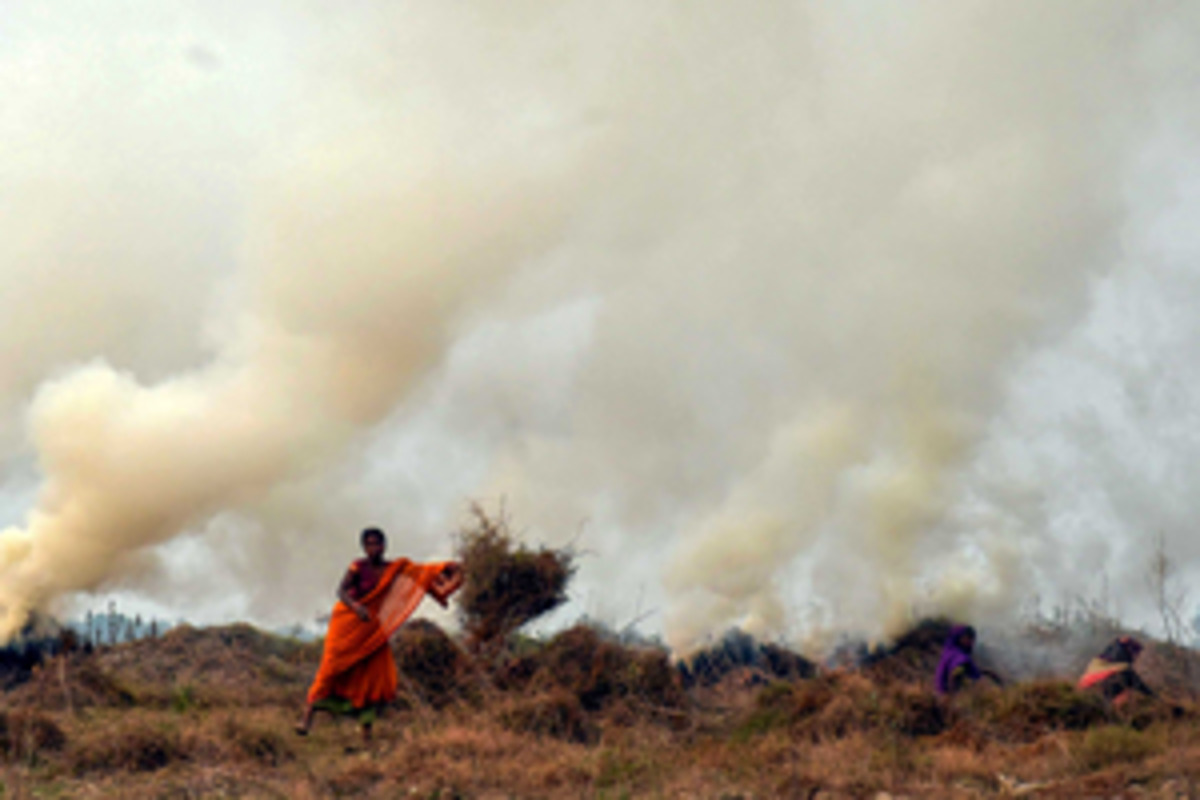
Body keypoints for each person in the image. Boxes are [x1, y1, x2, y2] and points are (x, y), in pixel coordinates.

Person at [295, 527, 463, 746]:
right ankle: (306, 718)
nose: (374, 548)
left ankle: (366, 739)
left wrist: (446, 568)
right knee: (330, 668)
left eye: (377, 543)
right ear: (364, 547)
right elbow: (341, 591)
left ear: (385, 545)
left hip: (373, 631)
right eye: (369, 544)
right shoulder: (357, 566)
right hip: (347, 624)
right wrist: (356, 607)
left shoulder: (393, 569)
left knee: (370, 680)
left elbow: (421, 573)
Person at [1077, 636, 1154, 706]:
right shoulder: (1123, 668)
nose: (1136, 658)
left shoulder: (1101, 660)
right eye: (1136, 654)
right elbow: (1139, 685)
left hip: (1084, 693)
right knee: (1128, 682)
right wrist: (1156, 698)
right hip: (1096, 693)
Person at [934, 624, 1003, 695]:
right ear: (959, 638)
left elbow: (961, 670)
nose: (971, 642)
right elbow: (956, 672)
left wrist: (983, 672)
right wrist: (954, 696)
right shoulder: (959, 655)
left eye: (973, 638)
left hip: (942, 696)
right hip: (956, 700)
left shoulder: (949, 652)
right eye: (968, 638)